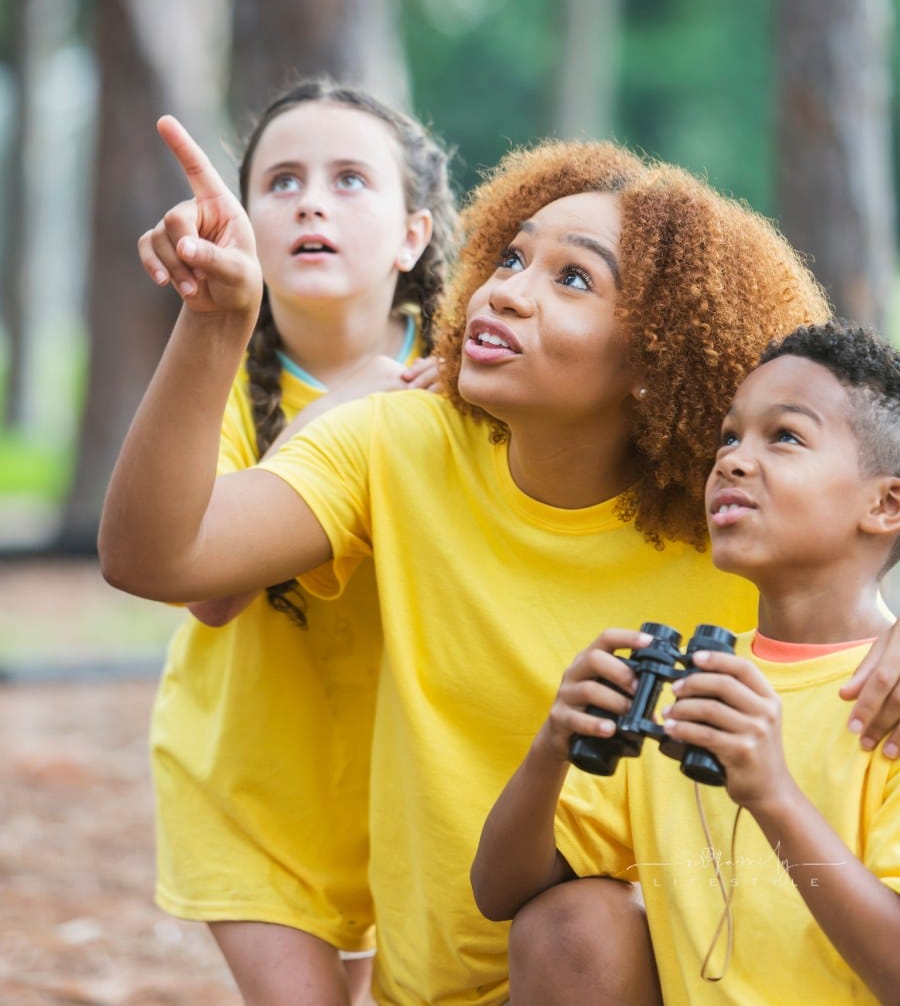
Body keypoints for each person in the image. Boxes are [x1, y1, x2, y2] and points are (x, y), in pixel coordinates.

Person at [99, 130, 900, 1006]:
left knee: (585, 916)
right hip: (451, 968)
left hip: (655, 976)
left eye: (572, 278)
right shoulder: (397, 440)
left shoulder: (729, 513)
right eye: (513, 257)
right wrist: (217, 324)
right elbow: (158, 558)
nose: (509, 292)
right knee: (567, 915)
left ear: (657, 358)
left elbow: (857, 517)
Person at [471, 320, 900, 1004]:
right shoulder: (687, 684)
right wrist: (550, 747)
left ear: (885, 505)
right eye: (730, 437)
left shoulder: (889, 697)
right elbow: (500, 893)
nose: (731, 460)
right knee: (566, 919)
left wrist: (773, 795)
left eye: (784, 437)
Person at [143, 77, 456, 1006]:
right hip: (250, 785)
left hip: (412, 787)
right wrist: (352, 403)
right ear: (244, 221)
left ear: (413, 234)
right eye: (281, 182)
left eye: (350, 179)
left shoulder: (465, 375)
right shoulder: (216, 382)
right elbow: (210, 587)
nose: (311, 199)